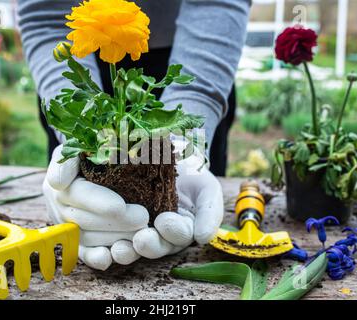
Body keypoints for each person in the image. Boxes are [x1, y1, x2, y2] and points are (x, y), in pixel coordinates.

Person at [18, 0, 251, 270]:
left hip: (198, 57)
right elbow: (46, 15)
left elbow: (216, 5)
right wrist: (82, 137)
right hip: (85, 58)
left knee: (167, 150)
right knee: (81, 187)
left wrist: (184, 143)